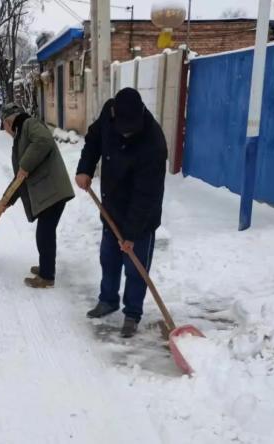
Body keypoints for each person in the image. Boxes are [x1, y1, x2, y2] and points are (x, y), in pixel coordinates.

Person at [75, 88, 167, 338]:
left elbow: (146, 195)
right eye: (124, 126)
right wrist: (85, 168)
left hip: (141, 215)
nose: (128, 132)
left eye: (132, 127)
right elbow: (94, 139)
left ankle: (132, 313)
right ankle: (108, 300)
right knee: (109, 258)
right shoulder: (109, 113)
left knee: (136, 268)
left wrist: (132, 234)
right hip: (111, 205)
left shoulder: (153, 143)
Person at [0, 103, 75, 289]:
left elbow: (43, 141)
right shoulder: (21, 136)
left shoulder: (29, 124)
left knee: (45, 234)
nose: (6, 131)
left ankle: (47, 276)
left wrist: (25, 165)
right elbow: (20, 177)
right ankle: (46, 267)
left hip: (53, 190)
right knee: (45, 233)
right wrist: (6, 200)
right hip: (49, 191)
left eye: (4, 126)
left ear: (9, 121)